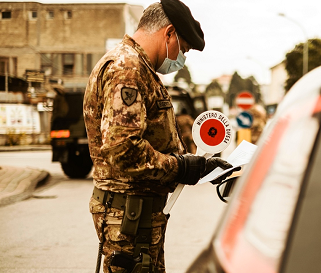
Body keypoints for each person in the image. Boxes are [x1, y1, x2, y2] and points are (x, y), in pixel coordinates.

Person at [83, 1, 233, 272]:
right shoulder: (126, 69)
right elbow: (124, 150)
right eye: (183, 49)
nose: (182, 58)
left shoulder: (140, 67)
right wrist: (181, 167)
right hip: (128, 216)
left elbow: (153, 139)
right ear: (169, 33)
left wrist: (199, 166)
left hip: (138, 213)